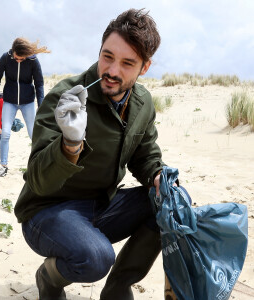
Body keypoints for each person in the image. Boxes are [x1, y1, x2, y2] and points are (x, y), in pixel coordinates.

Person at [15, 8, 175, 300]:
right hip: (47, 212)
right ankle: (48, 278)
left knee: (168, 202)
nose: (112, 71)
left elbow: (145, 154)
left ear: (145, 67)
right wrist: (70, 144)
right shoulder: (66, 98)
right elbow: (38, 180)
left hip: (101, 207)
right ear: (100, 51)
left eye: (128, 63)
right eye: (107, 56)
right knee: (96, 258)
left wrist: (157, 175)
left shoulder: (143, 103)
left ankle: (117, 288)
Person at [0, 37, 50, 177]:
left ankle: (38, 165)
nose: (19, 60)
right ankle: (3, 166)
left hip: (28, 102)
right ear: (13, 52)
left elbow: (39, 83)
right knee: (5, 133)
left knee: (34, 135)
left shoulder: (33, 61)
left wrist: (41, 104)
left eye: (22, 59)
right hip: (9, 101)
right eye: (17, 58)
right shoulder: (5, 58)